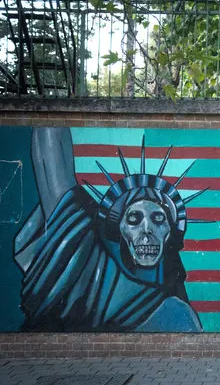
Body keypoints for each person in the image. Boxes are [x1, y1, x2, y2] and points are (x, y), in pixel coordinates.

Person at [14, 127, 203, 332]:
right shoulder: (88, 266)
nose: (147, 231)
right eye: (134, 218)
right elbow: (52, 169)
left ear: (170, 233)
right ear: (119, 228)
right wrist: (49, 106)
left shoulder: (175, 313)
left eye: (158, 219)